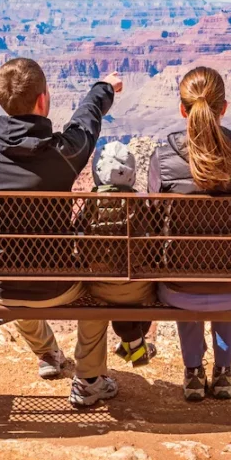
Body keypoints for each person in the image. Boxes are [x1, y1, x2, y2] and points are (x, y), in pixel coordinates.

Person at [0, 57, 124, 407]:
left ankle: (48, 354)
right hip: (56, 286)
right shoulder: (64, 153)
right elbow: (86, 121)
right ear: (43, 101)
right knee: (102, 289)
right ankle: (89, 378)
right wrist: (104, 88)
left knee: (13, 281)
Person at [147, 66, 231, 402]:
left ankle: (192, 372)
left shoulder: (162, 161)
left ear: (182, 110)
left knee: (184, 267)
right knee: (227, 268)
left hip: (178, 290)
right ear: (224, 108)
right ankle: (223, 372)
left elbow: (151, 230)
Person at [83, 141, 157, 366]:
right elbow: (153, 249)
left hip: (99, 286)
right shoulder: (140, 207)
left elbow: (83, 246)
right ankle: (134, 344)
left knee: (113, 284)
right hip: (139, 288)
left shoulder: (90, 206)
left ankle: (133, 344)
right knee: (132, 288)